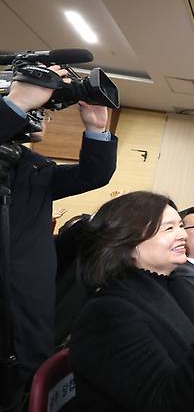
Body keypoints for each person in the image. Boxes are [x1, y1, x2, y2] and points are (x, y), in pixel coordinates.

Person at [0, 67, 117, 411]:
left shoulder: (32, 167)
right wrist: (14, 104)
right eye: (34, 110)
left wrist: (97, 129)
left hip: (27, 323)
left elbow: (92, 175)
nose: (42, 118)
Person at [70, 192, 194, 411]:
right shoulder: (106, 314)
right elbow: (170, 402)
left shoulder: (176, 286)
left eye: (180, 226)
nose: (182, 234)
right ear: (128, 242)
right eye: (169, 228)